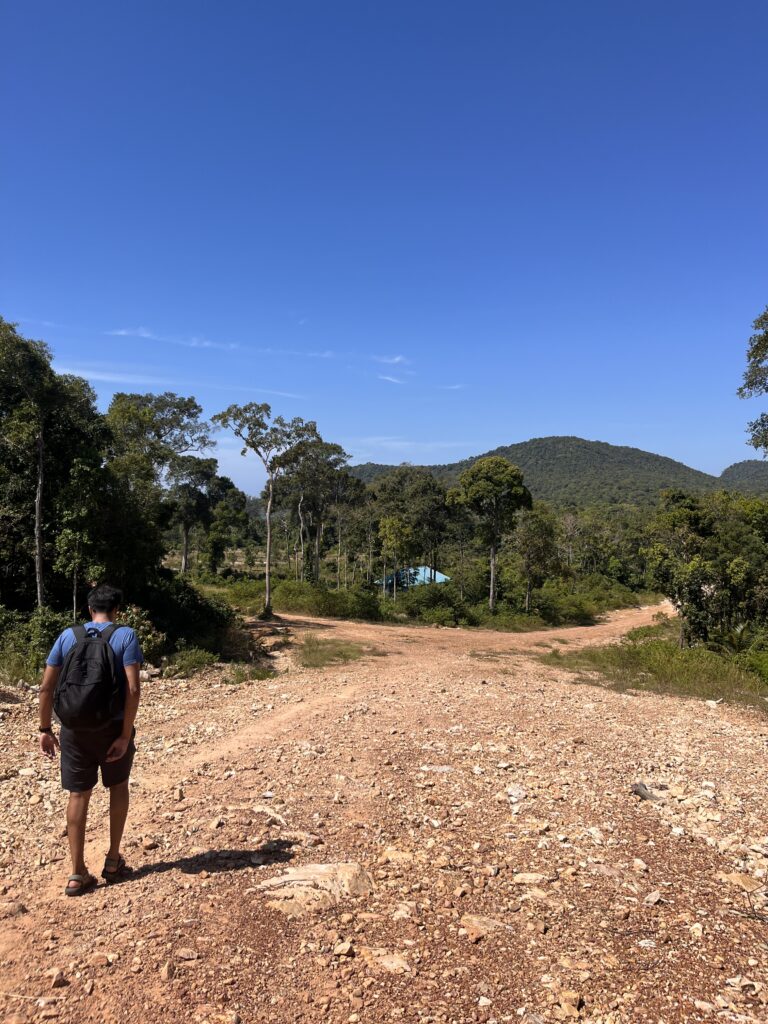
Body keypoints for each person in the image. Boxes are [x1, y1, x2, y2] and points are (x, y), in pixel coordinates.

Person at [38, 584, 143, 896]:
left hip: (74, 730)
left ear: (88, 609)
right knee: (118, 787)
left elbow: (45, 688)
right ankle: (112, 861)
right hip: (112, 728)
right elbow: (134, 689)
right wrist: (125, 735)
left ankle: (76, 873)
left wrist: (45, 729)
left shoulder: (68, 636)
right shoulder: (125, 636)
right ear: (116, 610)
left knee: (78, 795)